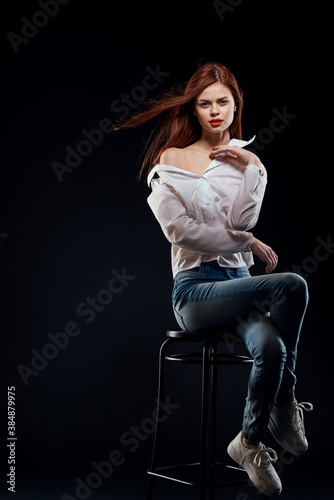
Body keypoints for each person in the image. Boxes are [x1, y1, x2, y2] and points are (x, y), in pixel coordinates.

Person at [115, 62, 313, 497]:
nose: (214, 111)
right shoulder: (173, 158)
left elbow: (245, 218)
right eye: (205, 104)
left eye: (223, 101)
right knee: (293, 285)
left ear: (236, 104)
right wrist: (248, 242)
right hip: (197, 292)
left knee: (272, 348)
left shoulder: (245, 159)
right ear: (196, 110)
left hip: (239, 283)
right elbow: (180, 230)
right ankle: (286, 401)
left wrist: (255, 166)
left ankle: (248, 442)